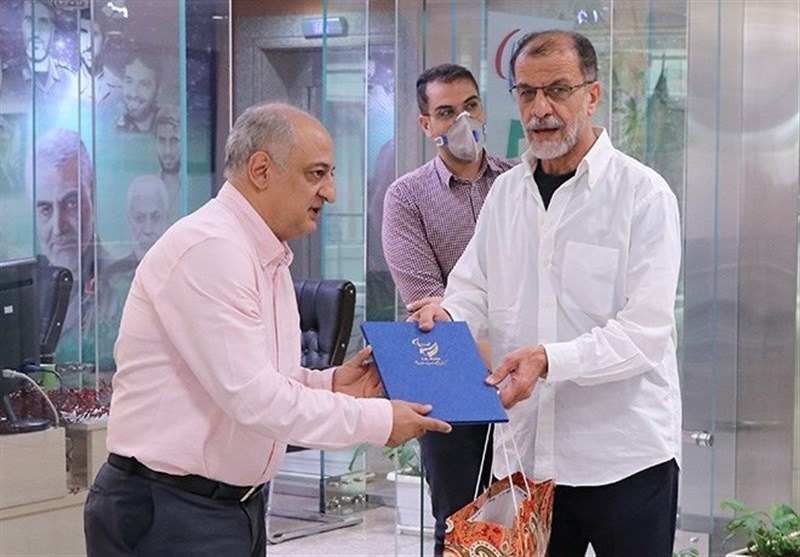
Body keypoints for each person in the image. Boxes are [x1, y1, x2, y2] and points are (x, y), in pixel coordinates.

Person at [83, 102, 452, 557]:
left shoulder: (263, 254)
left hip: (230, 507)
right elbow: (254, 398)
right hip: (171, 512)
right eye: (317, 174)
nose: (331, 192)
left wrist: (332, 384)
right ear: (261, 170)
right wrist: (378, 421)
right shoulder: (212, 250)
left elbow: (266, 380)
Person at [414, 30, 682, 557]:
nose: (540, 109)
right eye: (526, 93)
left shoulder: (642, 195)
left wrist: (548, 360)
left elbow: (644, 333)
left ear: (592, 95)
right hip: (527, 460)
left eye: (558, 90)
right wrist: (446, 314)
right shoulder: (507, 194)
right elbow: (473, 289)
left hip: (623, 458)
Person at [381, 63, 517, 556]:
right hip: (451, 384)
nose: (462, 121)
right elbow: (429, 307)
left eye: (470, 106)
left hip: (526, 382)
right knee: (461, 525)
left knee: (527, 520)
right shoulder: (407, 197)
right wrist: (507, 352)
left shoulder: (518, 182)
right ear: (426, 124)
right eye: (446, 112)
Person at [29, 128, 116, 368]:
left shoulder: (121, 284)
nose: (58, 227)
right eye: (45, 209)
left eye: (70, 203)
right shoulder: (28, 291)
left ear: (92, 196)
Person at [1, 0, 78, 111]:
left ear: (53, 29)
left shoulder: (69, 79)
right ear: (22, 27)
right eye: (29, 21)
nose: (35, 32)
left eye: (43, 22)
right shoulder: (5, 77)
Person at [78, 8, 122, 106]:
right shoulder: (65, 82)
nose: (89, 45)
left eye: (95, 34)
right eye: (83, 33)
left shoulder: (119, 88)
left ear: (105, 40)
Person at [115, 51, 160, 133]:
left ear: (158, 90)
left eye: (144, 84)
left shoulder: (174, 127)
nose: (134, 93)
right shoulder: (113, 127)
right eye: (129, 82)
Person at [152, 105, 182, 218]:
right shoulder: (148, 188)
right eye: (162, 141)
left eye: (174, 141)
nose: (167, 151)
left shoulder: (197, 187)